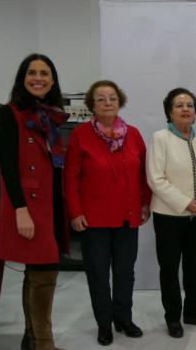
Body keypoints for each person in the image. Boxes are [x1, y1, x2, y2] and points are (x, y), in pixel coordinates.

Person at [63, 80, 151, 346]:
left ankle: (123, 318)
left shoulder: (133, 134)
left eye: (112, 98)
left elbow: (143, 173)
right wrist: (75, 212)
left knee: (125, 273)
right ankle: (104, 324)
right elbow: (70, 178)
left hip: (127, 217)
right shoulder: (80, 135)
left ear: (119, 101)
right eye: (101, 99)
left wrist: (144, 203)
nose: (108, 103)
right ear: (92, 104)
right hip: (94, 220)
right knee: (98, 274)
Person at [0, 54, 69, 350]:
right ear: (22, 78)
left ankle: (31, 339)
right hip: (29, 205)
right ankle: (44, 343)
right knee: (45, 273)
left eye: (44, 73)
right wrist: (20, 210)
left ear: (52, 81)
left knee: (35, 272)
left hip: (51, 204)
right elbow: (8, 166)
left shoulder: (51, 116)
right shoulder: (10, 113)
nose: (38, 78)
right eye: (32, 72)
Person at [147, 87, 196, 338]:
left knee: (194, 267)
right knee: (169, 270)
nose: (186, 109)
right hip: (169, 217)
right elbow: (156, 179)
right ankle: (173, 317)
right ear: (169, 111)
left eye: (190, 105)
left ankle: (193, 311)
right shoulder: (160, 138)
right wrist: (186, 203)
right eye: (179, 105)